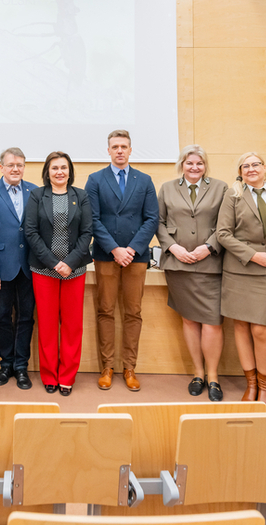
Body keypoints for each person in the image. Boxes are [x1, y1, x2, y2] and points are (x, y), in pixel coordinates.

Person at [216, 152, 266, 411]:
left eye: (256, 164)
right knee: (241, 326)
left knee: (261, 329)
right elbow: (223, 234)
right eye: (245, 166)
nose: (251, 169)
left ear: (265, 168)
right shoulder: (233, 195)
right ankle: (251, 385)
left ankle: (265, 386)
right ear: (240, 171)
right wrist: (253, 255)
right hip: (240, 268)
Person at [86, 130, 159, 392]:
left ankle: (129, 367)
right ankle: (107, 367)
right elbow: (92, 219)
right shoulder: (95, 179)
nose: (119, 150)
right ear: (108, 150)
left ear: (130, 150)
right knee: (105, 310)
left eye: (124, 146)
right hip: (106, 254)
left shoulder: (145, 180)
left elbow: (152, 218)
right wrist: (115, 249)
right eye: (115, 146)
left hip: (136, 257)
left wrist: (132, 249)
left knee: (133, 312)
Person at [156, 145, 228, 401]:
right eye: (189, 163)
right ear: (182, 165)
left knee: (212, 322)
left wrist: (208, 247)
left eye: (199, 163)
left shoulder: (220, 188)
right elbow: (158, 222)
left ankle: (213, 376)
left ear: (205, 165)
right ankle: (198, 374)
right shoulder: (167, 188)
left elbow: (226, 224)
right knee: (189, 320)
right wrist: (172, 247)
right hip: (179, 264)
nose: (194, 167)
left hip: (210, 264)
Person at [24, 152, 93, 396]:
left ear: (70, 171)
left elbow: (87, 232)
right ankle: (49, 375)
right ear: (47, 172)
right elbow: (31, 232)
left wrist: (69, 263)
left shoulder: (81, 196)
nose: (59, 172)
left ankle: (67, 377)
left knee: (73, 326)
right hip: (44, 270)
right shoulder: (37, 196)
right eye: (54, 168)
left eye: (64, 167)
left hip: (75, 271)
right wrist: (55, 263)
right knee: (47, 324)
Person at [0, 147, 38, 390]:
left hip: (30, 267)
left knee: (26, 318)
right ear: (1, 167)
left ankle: (21, 366)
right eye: (11, 165)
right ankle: (6, 364)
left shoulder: (35, 191)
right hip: (1, 269)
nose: (15, 169)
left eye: (20, 165)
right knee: (2, 317)